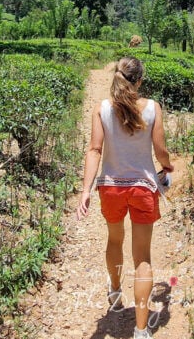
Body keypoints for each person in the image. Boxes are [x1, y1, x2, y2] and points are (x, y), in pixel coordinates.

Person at [76, 56, 173, 339]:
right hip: (143, 188)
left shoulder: (102, 109)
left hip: (111, 188)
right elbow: (160, 150)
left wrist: (85, 190)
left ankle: (116, 294)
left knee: (114, 239)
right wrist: (167, 166)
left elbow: (94, 150)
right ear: (140, 80)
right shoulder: (153, 108)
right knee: (142, 257)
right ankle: (141, 331)